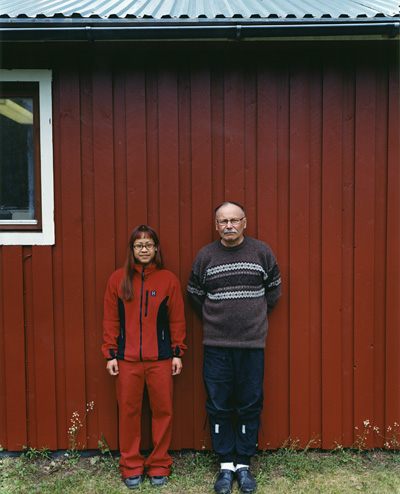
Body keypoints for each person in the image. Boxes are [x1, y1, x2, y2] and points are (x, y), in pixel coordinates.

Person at [187, 202, 281, 494]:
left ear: (244, 222)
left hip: (252, 344)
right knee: (218, 404)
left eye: (234, 220)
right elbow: (195, 294)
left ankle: (244, 465)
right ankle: (225, 466)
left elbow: (274, 291)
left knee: (250, 402)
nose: (228, 225)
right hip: (216, 345)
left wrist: (250, 319)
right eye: (223, 221)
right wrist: (220, 320)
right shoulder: (206, 256)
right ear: (216, 225)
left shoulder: (261, 252)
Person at [103, 225, 186, 489]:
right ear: (132, 250)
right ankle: (131, 465)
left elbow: (177, 320)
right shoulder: (117, 280)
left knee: (163, 411)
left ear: (156, 248)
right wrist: (110, 354)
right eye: (139, 245)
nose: (144, 249)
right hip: (126, 361)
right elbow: (110, 319)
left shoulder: (168, 280)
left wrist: (177, 352)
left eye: (149, 244)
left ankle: (160, 463)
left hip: (161, 360)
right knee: (129, 413)